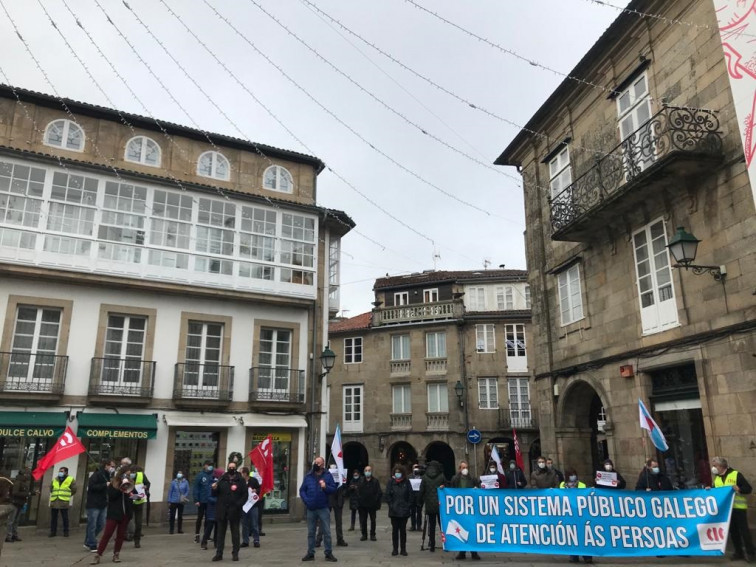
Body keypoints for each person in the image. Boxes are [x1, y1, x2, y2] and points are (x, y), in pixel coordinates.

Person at [711, 456, 755, 562]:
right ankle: (738, 552)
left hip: (738, 508)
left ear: (721, 466)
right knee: (733, 532)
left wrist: (739, 489)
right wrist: (709, 490)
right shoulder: (717, 478)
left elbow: (748, 489)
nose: (713, 468)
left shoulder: (736, 475)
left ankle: (751, 553)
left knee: (744, 532)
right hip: (727, 510)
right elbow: (715, 492)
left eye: (715, 465)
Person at [299, 455, 337, 562]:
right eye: (315, 462)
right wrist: (307, 501)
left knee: (327, 532)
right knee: (311, 532)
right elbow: (302, 490)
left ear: (323, 465)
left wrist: (326, 487)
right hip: (311, 508)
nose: (316, 464)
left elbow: (333, 489)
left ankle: (328, 553)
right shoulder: (308, 476)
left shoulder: (328, 475)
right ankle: (310, 553)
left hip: (323, 507)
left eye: (319, 463)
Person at [91, 474, 135, 565]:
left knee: (120, 535)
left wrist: (133, 494)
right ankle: (98, 555)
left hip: (125, 514)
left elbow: (134, 496)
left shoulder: (130, 484)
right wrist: (121, 488)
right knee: (107, 534)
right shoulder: (113, 485)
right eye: (126, 473)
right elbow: (111, 496)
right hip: (114, 513)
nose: (128, 475)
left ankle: (116, 554)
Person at [211, 460, 246, 562]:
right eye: (230, 467)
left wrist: (238, 504)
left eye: (233, 467)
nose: (231, 469)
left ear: (235, 468)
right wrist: (214, 488)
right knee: (220, 533)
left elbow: (245, 495)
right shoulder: (222, 478)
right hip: (222, 510)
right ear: (227, 468)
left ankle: (235, 553)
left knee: (235, 533)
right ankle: (219, 553)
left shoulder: (240, 480)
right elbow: (215, 494)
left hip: (234, 510)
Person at [449, 461, 481, 560]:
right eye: (463, 467)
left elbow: (478, 489)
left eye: (466, 467)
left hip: (470, 509)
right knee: (461, 530)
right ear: (459, 469)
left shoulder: (473, 479)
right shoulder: (455, 479)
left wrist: (476, 488)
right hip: (460, 509)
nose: (465, 469)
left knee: (471, 530)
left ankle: (474, 552)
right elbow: (451, 491)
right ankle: (462, 552)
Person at [560, 468, 591, 563]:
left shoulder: (582, 485)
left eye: (574, 474)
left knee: (583, 535)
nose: (572, 477)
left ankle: (587, 556)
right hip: (569, 514)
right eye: (570, 475)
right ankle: (574, 555)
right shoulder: (562, 485)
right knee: (571, 535)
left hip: (581, 514)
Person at [84, 459, 114, 551]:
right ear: (106, 465)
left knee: (101, 524)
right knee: (92, 524)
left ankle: (88, 540)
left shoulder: (107, 475)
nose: (112, 468)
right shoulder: (96, 475)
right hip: (93, 504)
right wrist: (105, 485)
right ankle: (92, 544)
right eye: (111, 466)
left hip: (103, 503)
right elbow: (92, 487)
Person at [316, 465, 348, 548]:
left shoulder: (341, 474)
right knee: (323, 520)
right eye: (332, 467)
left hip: (338, 500)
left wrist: (343, 494)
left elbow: (345, 486)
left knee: (339, 521)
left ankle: (340, 539)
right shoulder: (326, 475)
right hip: (329, 499)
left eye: (335, 467)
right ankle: (318, 540)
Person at [384, 464, 412, 557]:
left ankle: (403, 549)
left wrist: (407, 506)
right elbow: (387, 495)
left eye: (399, 472)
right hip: (394, 511)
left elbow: (410, 495)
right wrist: (391, 505)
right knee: (395, 531)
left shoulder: (407, 482)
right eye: (396, 472)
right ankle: (395, 549)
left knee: (403, 531)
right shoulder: (391, 482)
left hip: (404, 510)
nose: (397, 474)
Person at [417, 460, 445, 552]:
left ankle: (432, 545)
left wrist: (419, 502)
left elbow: (421, 491)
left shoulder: (424, 477)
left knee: (431, 526)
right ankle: (445, 543)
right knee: (442, 526)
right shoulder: (441, 477)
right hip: (440, 505)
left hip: (429, 505)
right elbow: (447, 487)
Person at [357, 464, 382, 542]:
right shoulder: (361, 481)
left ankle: (372, 534)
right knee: (363, 520)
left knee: (373, 520)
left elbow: (379, 492)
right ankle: (364, 534)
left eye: (369, 470)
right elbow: (358, 492)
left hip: (372, 504)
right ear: (364, 472)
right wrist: (360, 500)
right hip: (363, 504)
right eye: (366, 470)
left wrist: (375, 500)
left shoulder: (375, 481)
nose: (367, 472)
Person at [126, 465, 150, 548]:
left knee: (138, 523)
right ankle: (127, 535)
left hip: (139, 501)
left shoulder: (141, 475)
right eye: (132, 472)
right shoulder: (126, 476)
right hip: (130, 501)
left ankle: (137, 540)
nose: (133, 473)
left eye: (134, 472)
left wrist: (146, 486)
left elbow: (147, 483)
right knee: (128, 520)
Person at [8, 466, 33, 543]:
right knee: (11, 521)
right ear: (23, 474)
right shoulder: (18, 482)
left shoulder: (23, 483)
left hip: (20, 503)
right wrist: (26, 494)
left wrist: (31, 493)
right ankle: (9, 536)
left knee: (16, 521)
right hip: (15, 503)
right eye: (27, 474)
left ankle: (14, 535)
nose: (28, 475)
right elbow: (15, 492)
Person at [49, 466, 77, 537]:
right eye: (59, 471)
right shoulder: (55, 479)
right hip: (55, 501)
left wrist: (68, 495)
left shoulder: (70, 479)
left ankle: (66, 531)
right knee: (54, 518)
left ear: (66, 472)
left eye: (62, 471)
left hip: (63, 501)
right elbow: (51, 488)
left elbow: (74, 489)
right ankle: (53, 532)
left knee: (65, 517)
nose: (60, 473)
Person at [200, 468, 223, 551]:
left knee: (218, 527)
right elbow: (209, 497)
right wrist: (218, 501)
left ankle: (216, 542)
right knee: (209, 527)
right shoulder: (211, 483)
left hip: (219, 509)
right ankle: (204, 541)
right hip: (212, 509)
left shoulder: (221, 483)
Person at [194, 459, 215, 544]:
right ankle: (197, 534)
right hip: (201, 500)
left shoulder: (213, 475)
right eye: (208, 465)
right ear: (204, 466)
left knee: (208, 519)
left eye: (211, 465)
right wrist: (196, 499)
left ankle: (207, 535)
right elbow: (196, 488)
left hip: (210, 501)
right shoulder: (200, 475)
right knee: (199, 517)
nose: (210, 466)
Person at [240, 466, 260, 548]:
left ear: (245, 473)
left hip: (253, 505)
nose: (240, 474)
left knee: (254, 523)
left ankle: (256, 540)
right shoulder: (240, 481)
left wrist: (256, 490)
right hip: (244, 505)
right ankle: (245, 541)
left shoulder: (253, 480)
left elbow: (259, 489)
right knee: (244, 524)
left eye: (241, 473)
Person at [167, 470, 190, 535]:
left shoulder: (185, 482)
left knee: (180, 516)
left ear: (182, 475)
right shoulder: (173, 482)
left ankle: (179, 529)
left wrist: (184, 496)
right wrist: (169, 500)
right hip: (173, 500)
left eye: (180, 473)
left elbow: (187, 490)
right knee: (172, 515)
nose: (179, 475)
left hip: (181, 501)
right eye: (178, 473)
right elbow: (170, 491)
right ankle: (171, 529)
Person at [408, 464, 423, 531]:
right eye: (415, 467)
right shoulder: (409, 476)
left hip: (419, 496)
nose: (416, 469)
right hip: (412, 496)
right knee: (412, 512)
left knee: (419, 512)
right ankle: (413, 525)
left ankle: (419, 526)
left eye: (417, 467)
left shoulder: (422, 477)